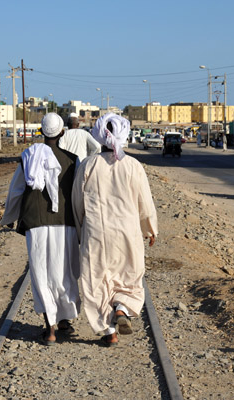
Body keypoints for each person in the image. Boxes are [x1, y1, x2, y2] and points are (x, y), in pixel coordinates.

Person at [72, 113, 158, 347]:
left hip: (96, 234)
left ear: (99, 136)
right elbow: (145, 202)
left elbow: (77, 202)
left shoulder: (88, 164)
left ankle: (109, 331)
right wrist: (149, 230)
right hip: (127, 233)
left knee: (97, 280)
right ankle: (121, 308)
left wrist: (80, 231)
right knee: (129, 276)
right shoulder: (133, 165)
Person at [0, 112, 80, 346]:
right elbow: (77, 196)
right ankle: (64, 317)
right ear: (63, 131)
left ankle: (52, 328)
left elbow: (15, 191)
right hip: (65, 224)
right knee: (64, 272)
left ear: (42, 132)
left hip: (35, 223)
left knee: (41, 274)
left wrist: (10, 218)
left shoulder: (28, 157)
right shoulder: (73, 160)